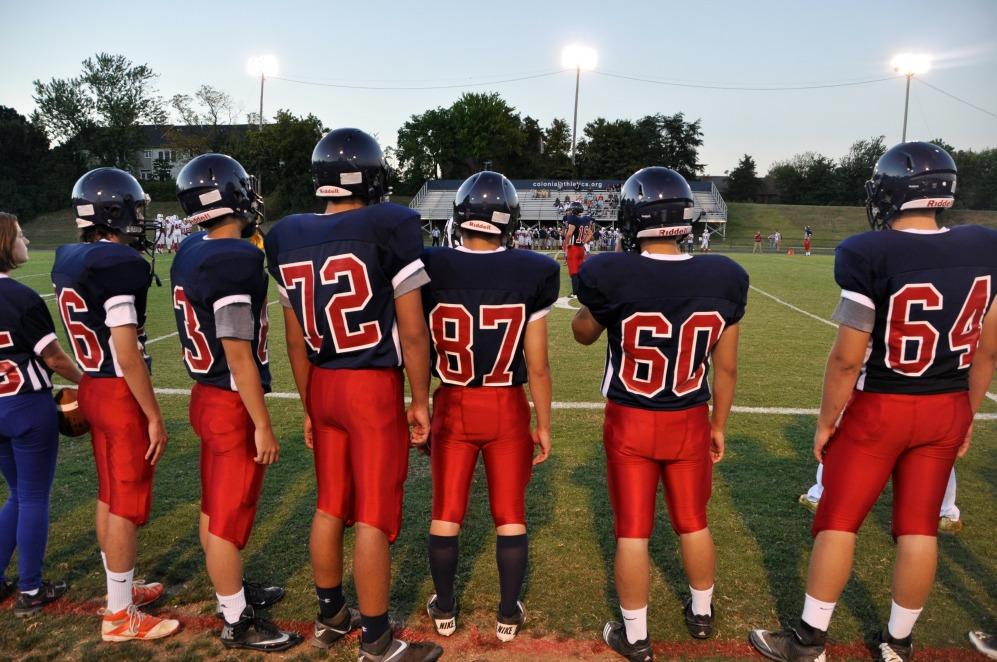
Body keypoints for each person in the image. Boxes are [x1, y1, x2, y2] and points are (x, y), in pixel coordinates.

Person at [749, 142, 997, 662]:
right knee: (918, 527)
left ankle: (809, 641)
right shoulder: (983, 245)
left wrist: (825, 421)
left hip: (880, 407)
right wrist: (967, 414)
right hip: (946, 404)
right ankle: (898, 644)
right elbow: (987, 350)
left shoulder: (868, 252)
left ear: (893, 193)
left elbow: (845, 359)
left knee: (838, 522)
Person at [265, 128, 443, 662]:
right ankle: (376, 640)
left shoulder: (286, 235)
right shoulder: (390, 224)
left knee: (328, 505)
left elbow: (294, 338)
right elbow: (412, 332)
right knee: (371, 513)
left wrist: (309, 406)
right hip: (370, 386)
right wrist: (420, 398)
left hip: (324, 383)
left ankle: (331, 615)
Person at [572, 167, 746, 662]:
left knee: (633, 528)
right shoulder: (724, 277)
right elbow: (727, 367)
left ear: (633, 218)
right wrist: (718, 425)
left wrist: (594, 311)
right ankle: (703, 612)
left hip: (631, 417)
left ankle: (635, 635)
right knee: (693, 521)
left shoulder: (613, 272)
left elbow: (584, 334)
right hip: (690, 414)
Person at [421, 171, 558, 642]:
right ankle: (506, 613)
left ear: (460, 218)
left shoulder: (431, 265)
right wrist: (544, 423)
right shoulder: (532, 270)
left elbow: (417, 343)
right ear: (510, 221)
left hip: (453, 400)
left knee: (446, 510)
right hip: (505, 403)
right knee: (510, 511)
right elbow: (537, 366)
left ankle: (444, 607)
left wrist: (418, 403)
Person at [171, 154, 301, 651]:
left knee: (213, 508)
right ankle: (235, 618)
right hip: (229, 398)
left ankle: (232, 591)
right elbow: (239, 353)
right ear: (235, 196)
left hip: (205, 394)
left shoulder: (189, 249)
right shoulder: (235, 258)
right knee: (226, 520)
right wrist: (262, 424)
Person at [51, 168, 179, 641]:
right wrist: (153, 414)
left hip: (92, 387)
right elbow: (126, 349)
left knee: (109, 495)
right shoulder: (116, 265)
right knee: (124, 503)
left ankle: (118, 588)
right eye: (136, 210)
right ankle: (119, 615)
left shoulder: (71, 257)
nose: (141, 219)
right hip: (117, 389)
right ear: (114, 213)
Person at [0, 213, 82, 617]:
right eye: (19, 234)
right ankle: (30, 589)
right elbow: (54, 358)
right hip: (26, 404)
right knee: (32, 496)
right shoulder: (20, 297)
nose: (26, 239)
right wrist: (89, 382)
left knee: (16, 494)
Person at [800, 465, 962, 532]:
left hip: (882, 404)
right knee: (938, 456)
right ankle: (947, 514)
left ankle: (820, 495)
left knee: (843, 438)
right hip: (933, 404)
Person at [563, 201, 593, 297]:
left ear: (573, 210)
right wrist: (583, 242)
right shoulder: (584, 220)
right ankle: (581, 290)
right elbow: (590, 234)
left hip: (574, 249)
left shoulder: (572, 218)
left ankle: (575, 293)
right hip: (581, 249)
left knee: (573, 271)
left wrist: (566, 245)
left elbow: (569, 234)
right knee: (579, 271)